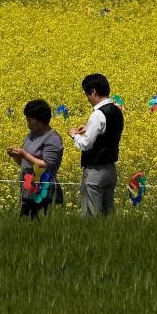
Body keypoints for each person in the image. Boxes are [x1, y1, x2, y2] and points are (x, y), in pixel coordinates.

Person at [70, 73, 122, 218]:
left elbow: (86, 144)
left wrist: (75, 135)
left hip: (95, 171)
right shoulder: (117, 110)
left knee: (91, 217)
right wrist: (88, 128)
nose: (87, 99)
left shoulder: (98, 114)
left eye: (87, 94)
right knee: (108, 216)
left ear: (93, 91)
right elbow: (107, 132)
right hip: (110, 170)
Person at [7, 99, 64, 219]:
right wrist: (16, 157)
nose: (27, 122)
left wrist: (24, 154)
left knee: (41, 224)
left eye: (29, 118)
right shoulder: (31, 135)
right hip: (27, 187)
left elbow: (47, 166)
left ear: (39, 119)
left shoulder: (52, 138)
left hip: (43, 189)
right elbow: (25, 163)